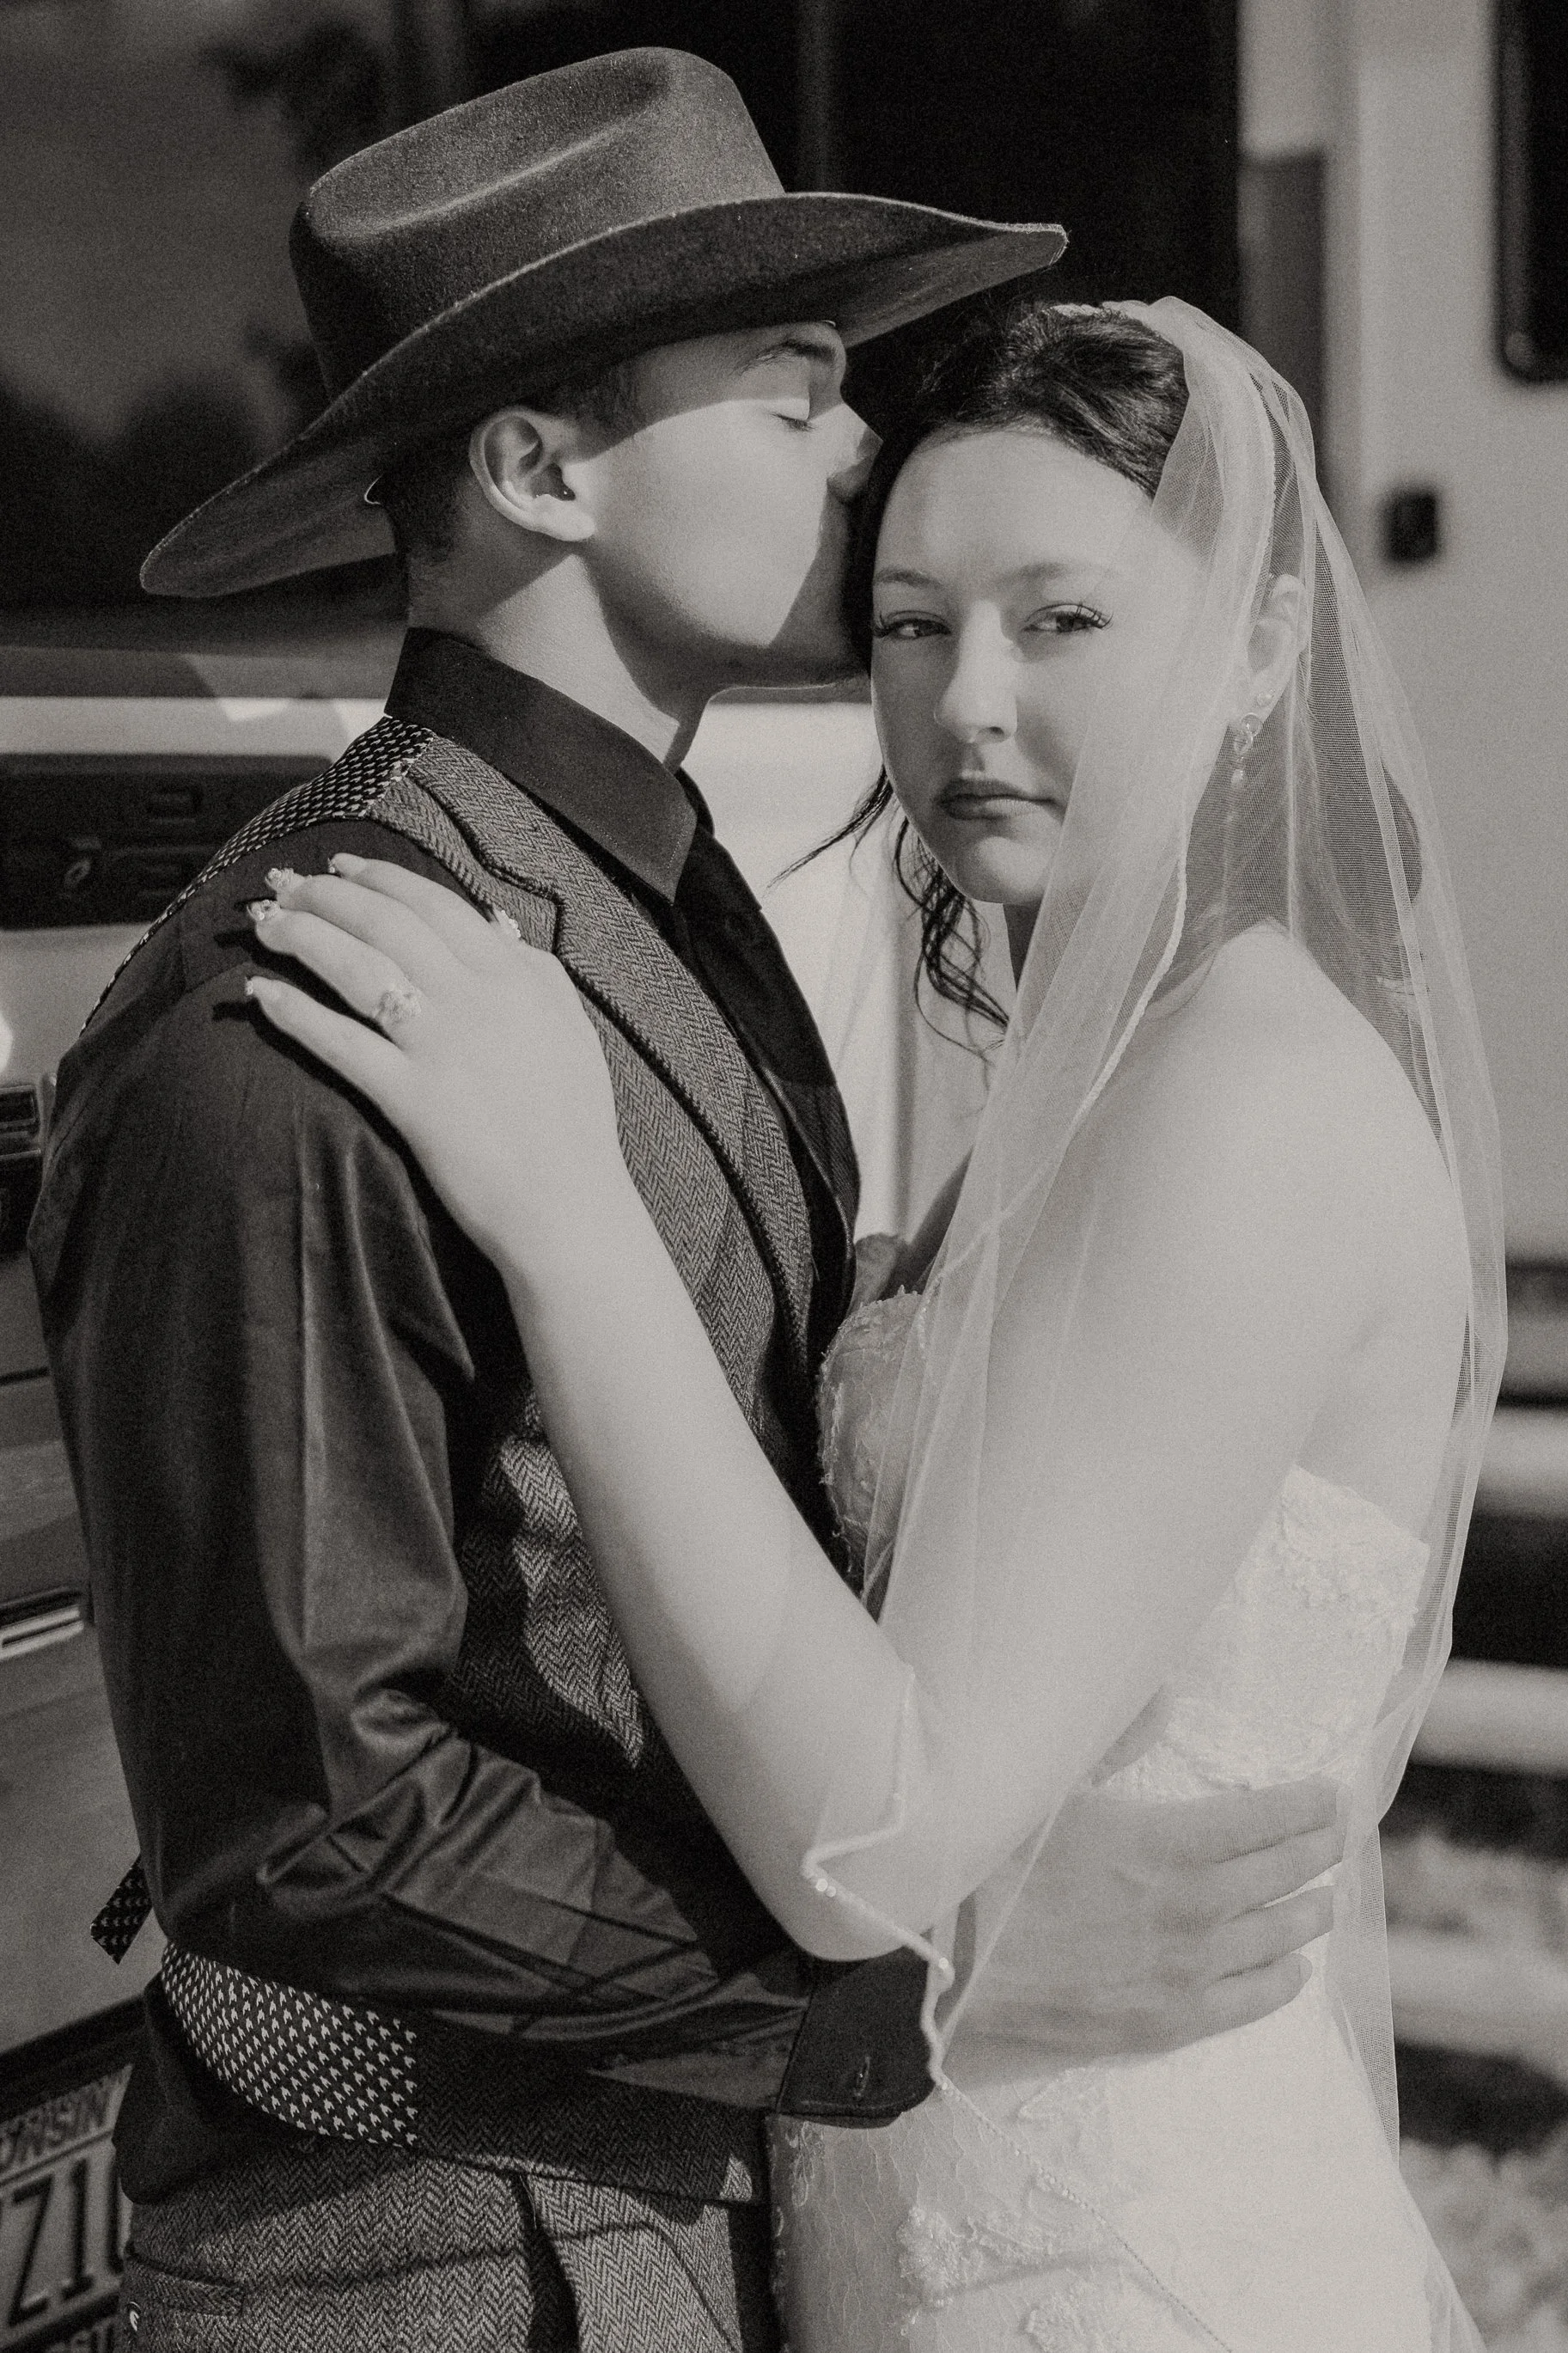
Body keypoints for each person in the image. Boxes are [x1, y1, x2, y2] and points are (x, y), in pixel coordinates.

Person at [32, 56, 1348, 2350]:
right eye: (792, 393)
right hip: (422, 2266)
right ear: (541, 467)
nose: (856, 452)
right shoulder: (306, 1006)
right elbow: (322, 1830)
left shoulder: (663, 887)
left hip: (684, 2218)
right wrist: (911, 1979)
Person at [237, 297, 1506, 2349]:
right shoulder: (1098, 1071)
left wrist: (567, 1210)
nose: (966, 704)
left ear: (1265, 648)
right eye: (912, 625)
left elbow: (876, 1842)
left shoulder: (1252, 1094)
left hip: (1108, 2251)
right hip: (923, 2189)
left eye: (1060, 622)